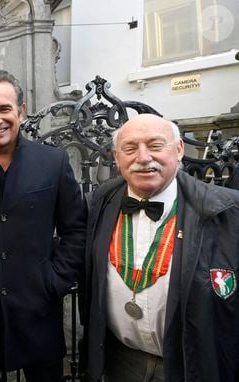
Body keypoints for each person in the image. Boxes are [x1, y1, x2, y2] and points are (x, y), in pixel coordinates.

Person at [0, 70, 86, 381]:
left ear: (21, 111)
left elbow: (76, 230)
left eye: (4, 109)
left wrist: (55, 280)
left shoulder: (53, 162)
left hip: (39, 312)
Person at [84, 113, 239, 381]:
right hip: (120, 362)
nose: (143, 158)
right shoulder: (100, 203)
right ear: (116, 156)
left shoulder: (229, 211)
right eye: (130, 148)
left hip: (189, 364)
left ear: (179, 150)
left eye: (155, 145)